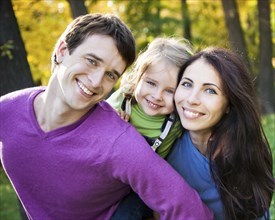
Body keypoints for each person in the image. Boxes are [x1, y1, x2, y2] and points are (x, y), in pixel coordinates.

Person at [0, 13, 213, 220]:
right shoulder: (9, 109)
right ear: (63, 50)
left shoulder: (120, 143)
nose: (95, 82)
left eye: (111, 75)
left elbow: (189, 209)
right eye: (92, 61)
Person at [167, 47, 274, 220]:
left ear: (229, 104)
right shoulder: (163, 142)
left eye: (210, 90)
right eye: (187, 84)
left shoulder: (246, 151)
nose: (192, 99)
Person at [107, 37, 193, 219]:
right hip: (109, 178)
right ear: (138, 77)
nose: (157, 96)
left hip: (140, 188)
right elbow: (95, 121)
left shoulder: (177, 121)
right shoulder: (123, 99)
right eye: (151, 83)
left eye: (170, 91)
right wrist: (110, 121)